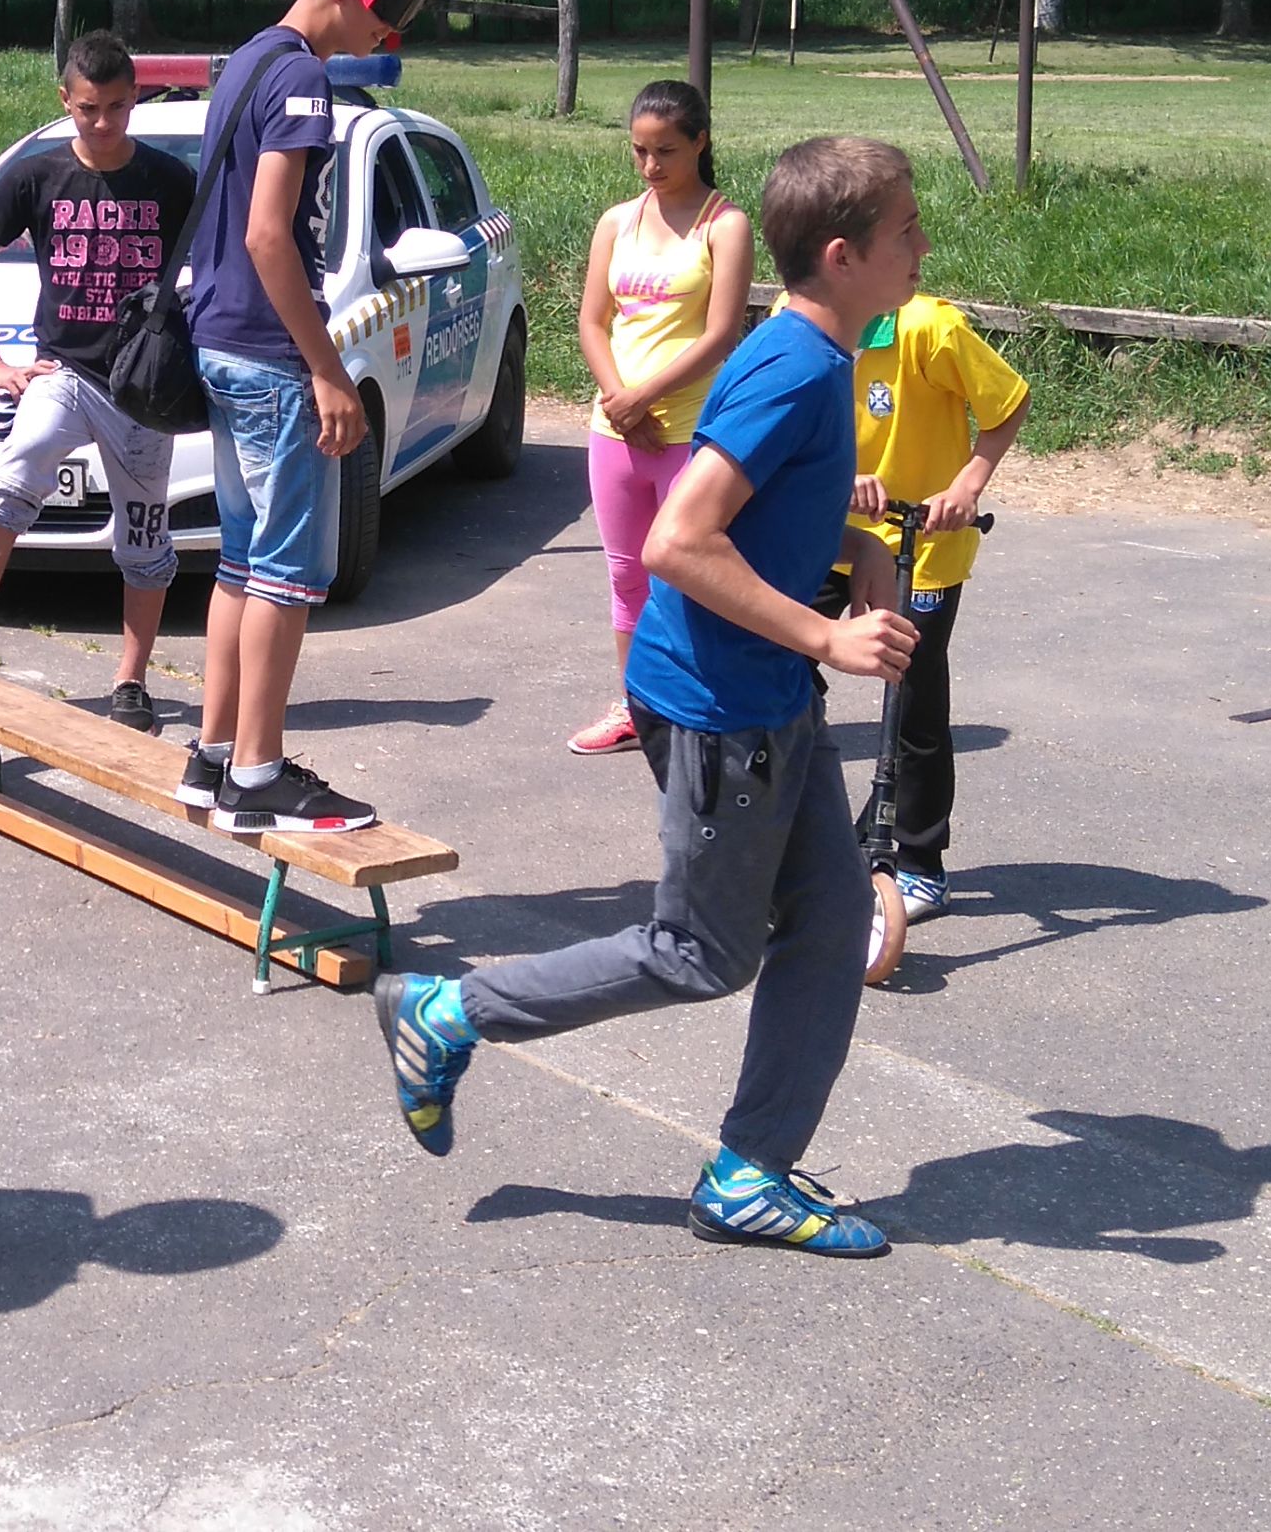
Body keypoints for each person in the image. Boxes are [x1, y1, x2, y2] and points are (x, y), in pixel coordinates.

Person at [374, 135, 928, 1258]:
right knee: (700, 953)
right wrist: (829, 632)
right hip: (722, 708)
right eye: (905, 230)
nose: (922, 245)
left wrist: (858, 545)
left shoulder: (819, 357)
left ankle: (749, 1173)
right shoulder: (793, 368)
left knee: (830, 923)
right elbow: (680, 537)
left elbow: (765, 511)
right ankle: (447, 1009)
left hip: (765, 693)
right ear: (842, 254)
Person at [169, 0, 421, 836]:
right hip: (272, 355)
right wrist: (329, 371)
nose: (390, 33)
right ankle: (258, 775)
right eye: (390, 7)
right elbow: (268, 236)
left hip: (222, 341)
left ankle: (213, 755)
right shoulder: (304, 75)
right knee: (284, 574)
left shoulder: (247, 58)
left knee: (241, 562)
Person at [0, 34, 194, 734]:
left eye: (117, 107)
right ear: (65, 101)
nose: (103, 122)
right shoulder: (36, 176)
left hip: (142, 391)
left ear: (135, 99)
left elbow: (216, 272)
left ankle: (131, 680)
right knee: (13, 472)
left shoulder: (172, 181)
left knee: (144, 540)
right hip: (64, 373)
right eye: (88, 108)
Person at [823, 291, 1028, 925]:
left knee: (912, 697)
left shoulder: (929, 327)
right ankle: (806, 829)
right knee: (772, 662)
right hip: (827, 530)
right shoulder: (797, 319)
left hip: (922, 537)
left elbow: (1008, 402)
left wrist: (966, 485)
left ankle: (918, 861)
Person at [571, 81, 755, 757]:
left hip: (691, 432)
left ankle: (702, 709)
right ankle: (635, 707)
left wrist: (643, 396)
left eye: (666, 151)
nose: (650, 166)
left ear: (701, 141)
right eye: (639, 151)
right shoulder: (616, 222)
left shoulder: (724, 225)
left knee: (691, 575)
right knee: (627, 574)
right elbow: (593, 321)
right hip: (616, 430)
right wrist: (619, 401)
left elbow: (722, 332)